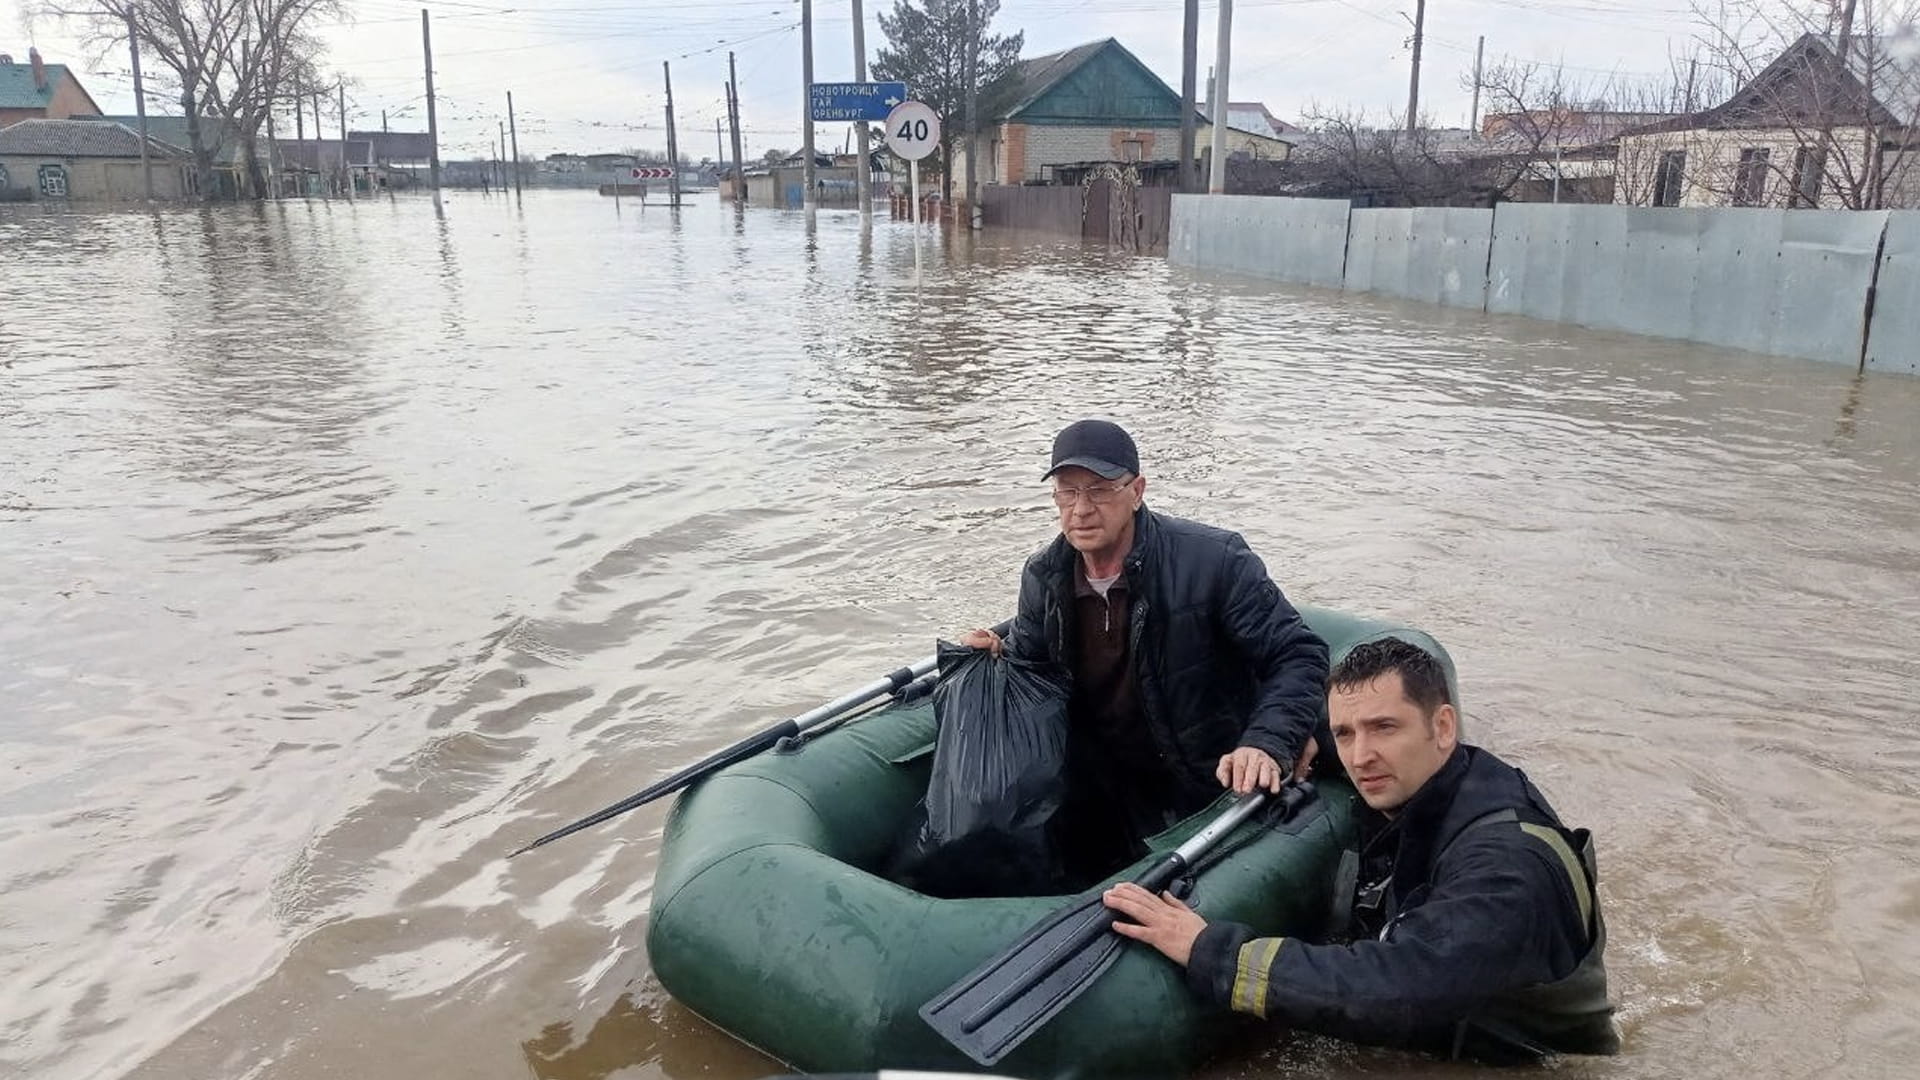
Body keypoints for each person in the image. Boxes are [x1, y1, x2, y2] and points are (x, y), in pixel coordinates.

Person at [1102, 637, 1619, 1063]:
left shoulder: (1506, 868)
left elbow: (1397, 989)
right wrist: (1285, 741)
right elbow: (1345, 745)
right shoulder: (1430, 778)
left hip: (1526, 1060)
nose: (1360, 756)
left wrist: (1211, 952)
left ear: (1443, 726)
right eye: (1344, 734)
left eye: (1384, 728)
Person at [961, 419, 1329, 881]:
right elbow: (1034, 671)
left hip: (1206, 777)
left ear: (1136, 491)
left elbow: (1298, 654)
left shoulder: (1216, 561)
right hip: (1108, 783)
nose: (1081, 509)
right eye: (1067, 492)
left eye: (1099, 490)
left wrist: (1266, 741)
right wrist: (996, 658)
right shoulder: (1043, 575)